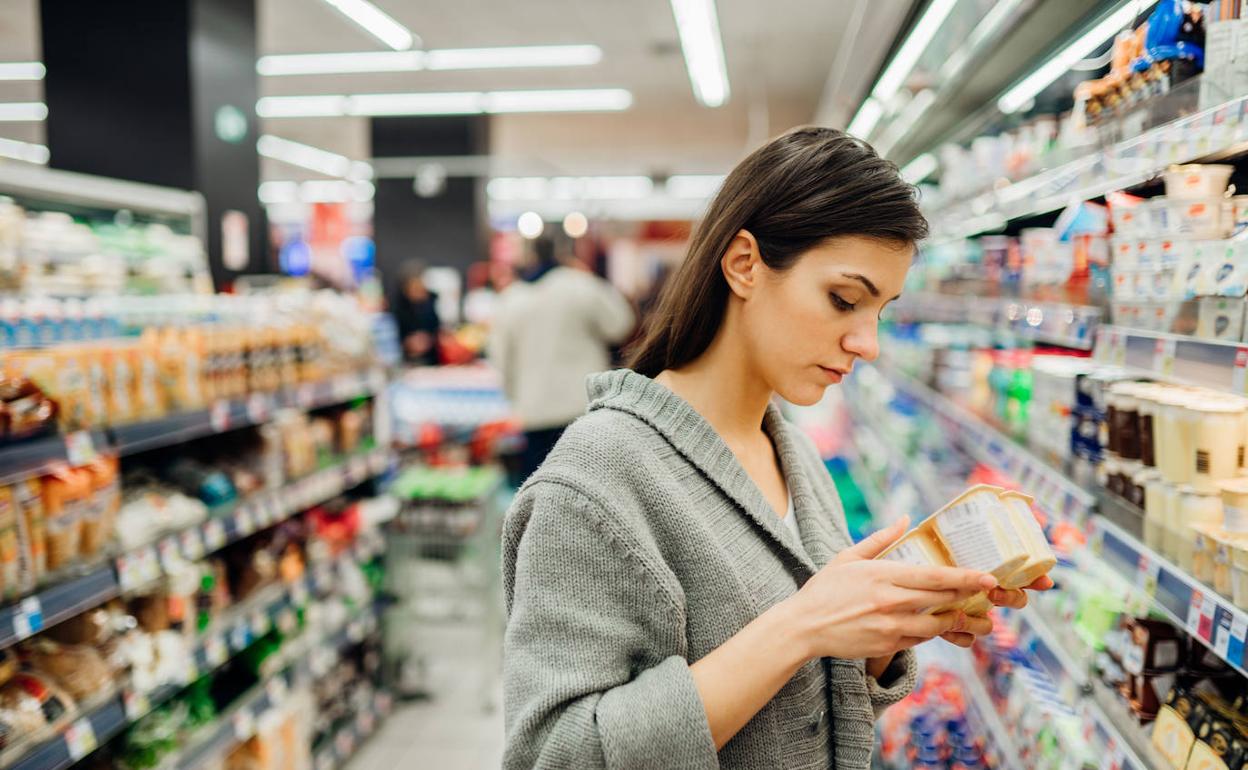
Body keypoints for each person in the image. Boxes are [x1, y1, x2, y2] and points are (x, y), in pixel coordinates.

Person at [501, 127, 1053, 770]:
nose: (866, 343)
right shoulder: (595, 483)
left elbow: (801, 720)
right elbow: (552, 757)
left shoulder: (793, 455)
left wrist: (884, 629)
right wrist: (801, 625)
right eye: (843, 300)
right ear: (744, 264)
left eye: (879, 311)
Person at [489, 235, 635, 482]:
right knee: (590, 488)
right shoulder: (581, 285)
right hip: (583, 406)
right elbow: (621, 324)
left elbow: (500, 359)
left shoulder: (511, 299)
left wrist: (515, 398)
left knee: (540, 491)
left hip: (534, 411)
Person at [393, 261, 441, 366]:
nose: (418, 291)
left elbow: (438, 330)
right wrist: (407, 343)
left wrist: (430, 339)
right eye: (414, 287)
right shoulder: (397, 308)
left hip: (432, 361)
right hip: (405, 362)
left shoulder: (432, 303)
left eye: (420, 286)